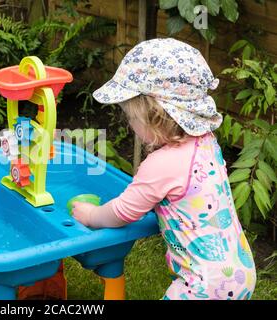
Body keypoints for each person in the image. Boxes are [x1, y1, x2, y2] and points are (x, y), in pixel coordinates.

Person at [72, 38, 256, 300]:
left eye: (132, 117)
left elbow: (123, 212)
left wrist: (91, 215)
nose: (130, 124)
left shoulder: (160, 165)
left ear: (155, 116)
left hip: (203, 285)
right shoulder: (206, 142)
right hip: (239, 270)